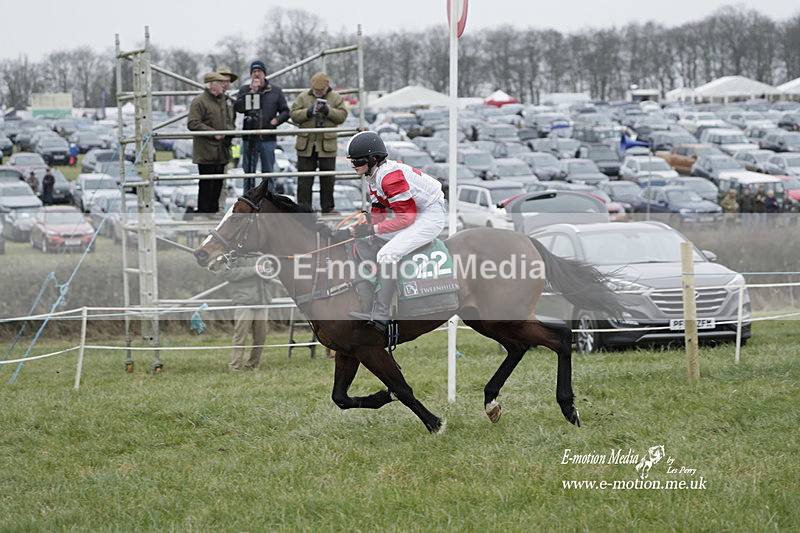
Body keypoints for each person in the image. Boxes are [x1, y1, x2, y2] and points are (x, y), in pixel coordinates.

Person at [341, 131, 447, 332]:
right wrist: (363, 229)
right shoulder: (372, 176)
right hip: (416, 211)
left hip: (430, 215)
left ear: (373, 159)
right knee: (373, 238)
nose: (354, 164)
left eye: (358, 160)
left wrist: (371, 229)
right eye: (352, 160)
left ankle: (381, 315)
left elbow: (407, 218)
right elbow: (379, 212)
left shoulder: (389, 178)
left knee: (386, 254)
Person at [289, 71, 348, 213]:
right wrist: (308, 112)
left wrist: (328, 111)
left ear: (327, 87)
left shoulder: (336, 98)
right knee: (304, 180)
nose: (318, 93)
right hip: (306, 145)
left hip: (327, 145)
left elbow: (342, 116)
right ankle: (303, 209)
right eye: (316, 90)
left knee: (328, 179)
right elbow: (293, 114)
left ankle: (328, 207)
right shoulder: (303, 97)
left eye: (321, 91)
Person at [235, 59, 290, 194]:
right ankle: (248, 200)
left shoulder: (275, 91)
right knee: (248, 173)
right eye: (254, 72)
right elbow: (239, 108)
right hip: (249, 137)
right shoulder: (244, 90)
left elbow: (285, 111)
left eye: (259, 71)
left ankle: (269, 201)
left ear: (264, 74)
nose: (256, 74)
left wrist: (276, 121)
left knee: (268, 173)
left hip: (268, 138)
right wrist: (252, 93)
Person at [188, 71, 234, 214]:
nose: (224, 86)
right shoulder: (199, 101)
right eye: (221, 83)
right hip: (206, 150)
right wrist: (213, 133)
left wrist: (229, 133)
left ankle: (213, 211)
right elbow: (193, 123)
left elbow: (229, 119)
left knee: (218, 183)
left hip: (221, 150)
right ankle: (204, 211)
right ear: (212, 85)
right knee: (207, 183)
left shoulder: (224, 101)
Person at [219, 256, 272, 372]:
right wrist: (253, 270)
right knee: (240, 336)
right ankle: (235, 367)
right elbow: (227, 273)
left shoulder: (262, 253)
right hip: (244, 302)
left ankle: (253, 365)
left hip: (262, 301)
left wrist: (268, 273)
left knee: (261, 337)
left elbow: (269, 277)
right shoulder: (234, 254)